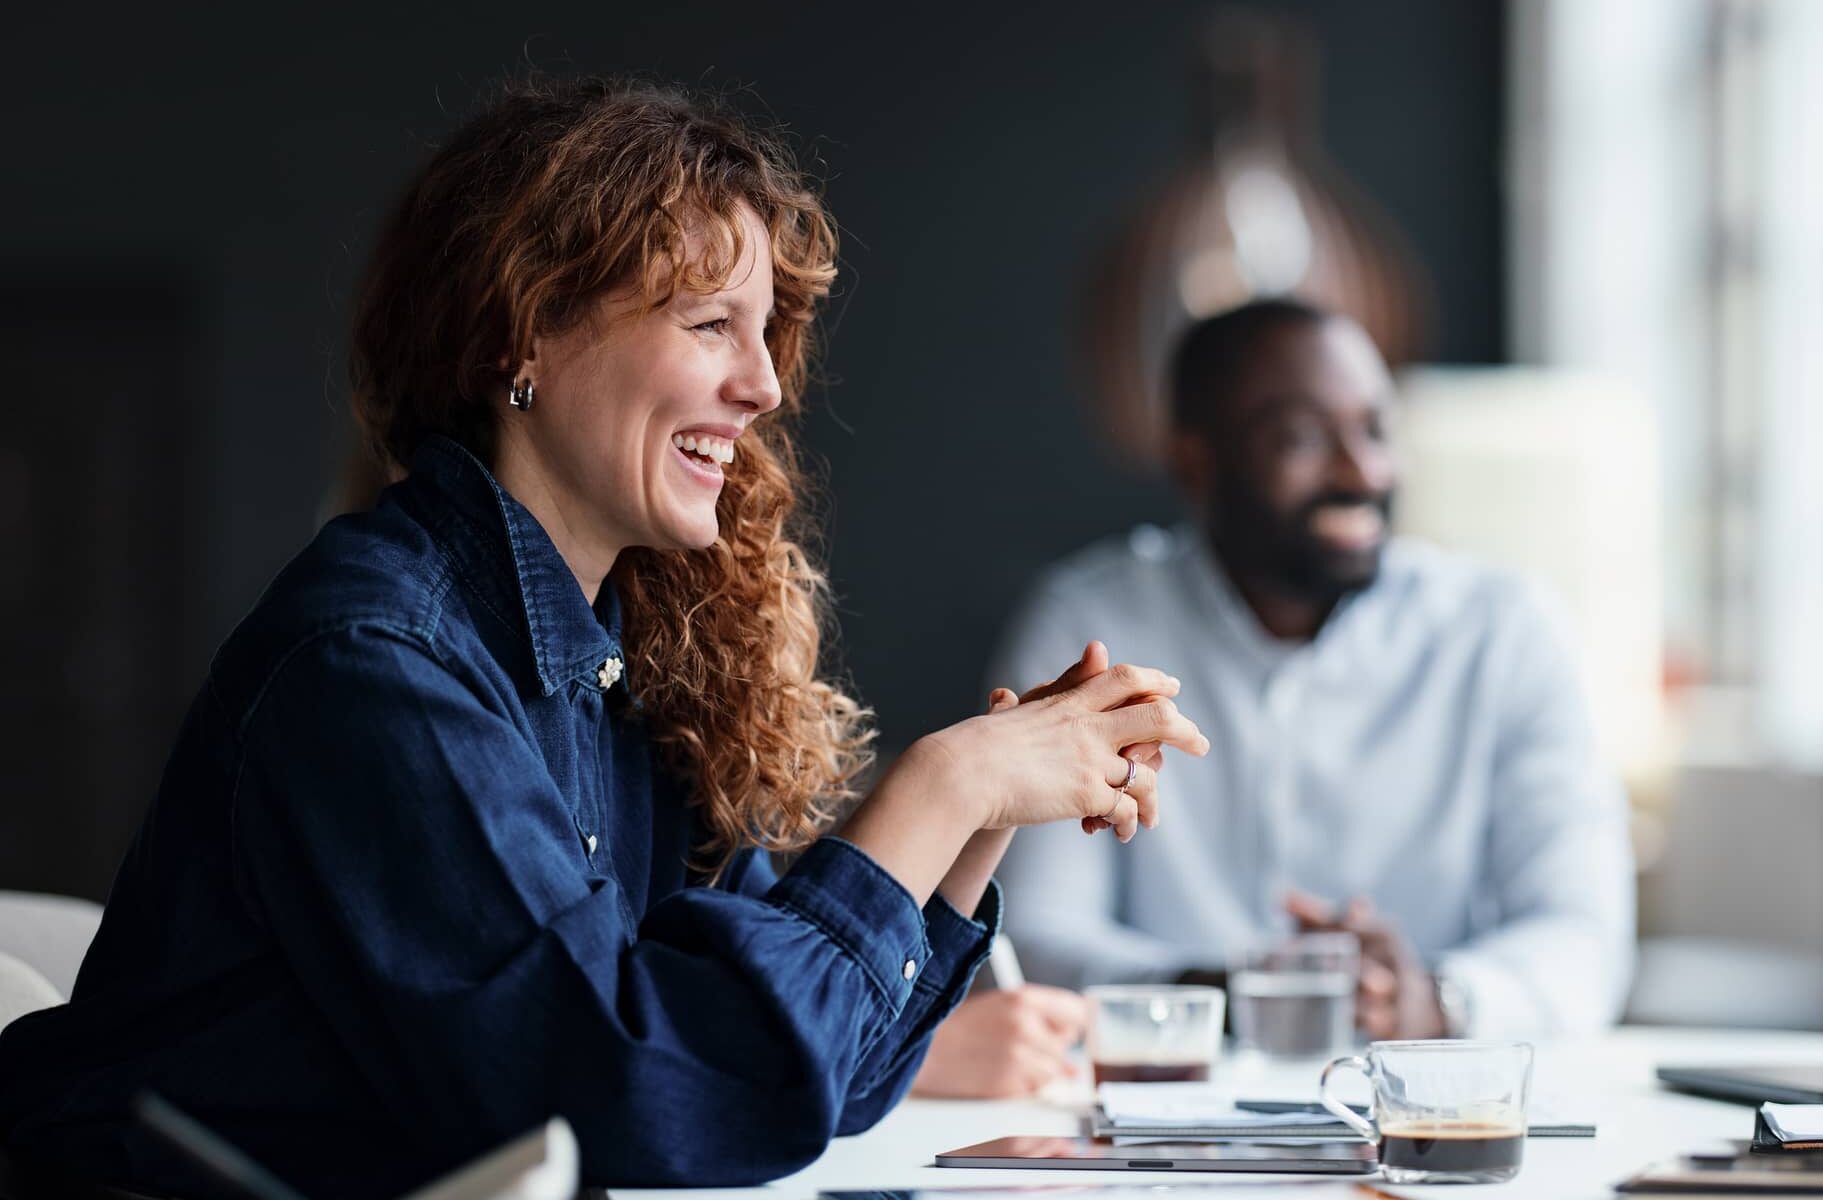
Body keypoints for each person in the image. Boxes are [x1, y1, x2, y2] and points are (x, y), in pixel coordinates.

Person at [0, 78, 1208, 1198]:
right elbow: (643, 1092)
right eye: (710, 323)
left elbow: (797, 1076)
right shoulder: (374, 664)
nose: (765, 388)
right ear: (525, 334)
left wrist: (979, 827)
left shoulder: (624, 658)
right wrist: (943, 786)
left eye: (766, 333)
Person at [967, 298, 1634, 1060]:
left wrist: (1437, 1000)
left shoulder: (1503, 631)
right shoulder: (1088, 626)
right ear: (1195, 462)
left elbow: (1585, 940)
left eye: (1375, 430)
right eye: (1302, 438)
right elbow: (1028, 935)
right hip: (1160, 1101)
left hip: (1428, 1105)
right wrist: (1230, 996)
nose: (1362, 471)